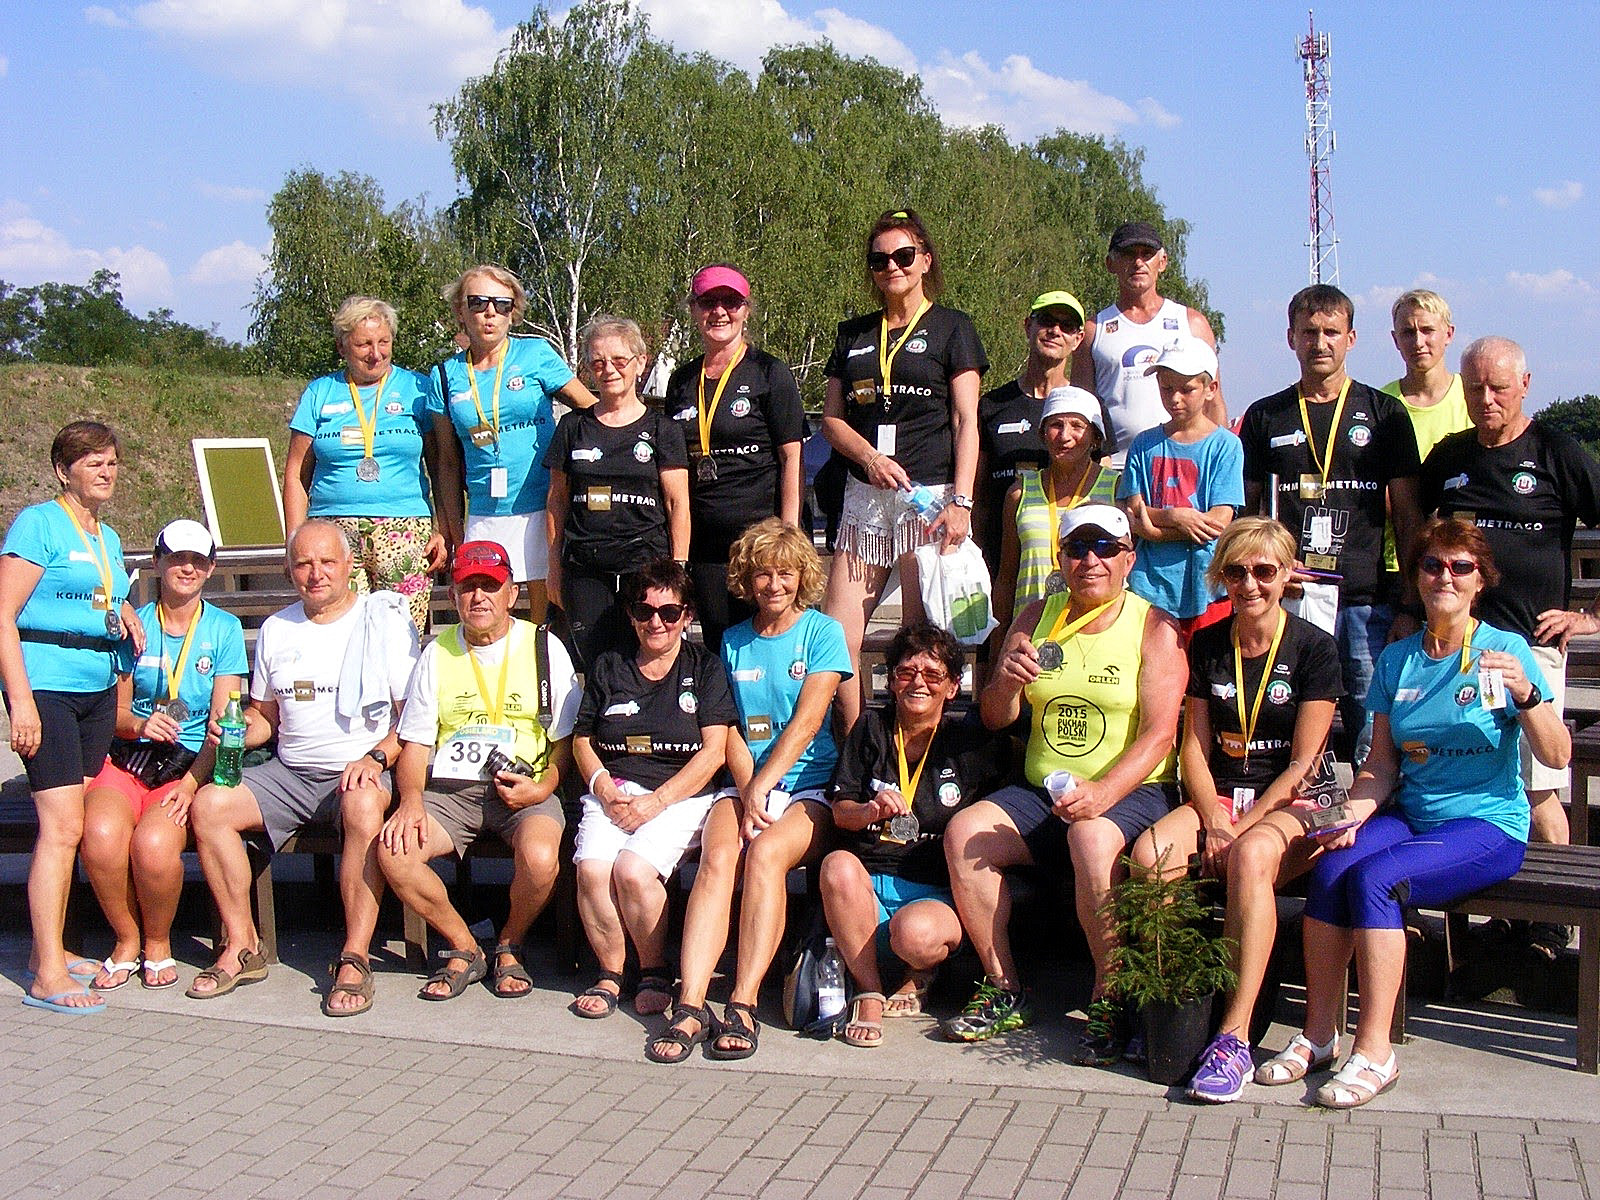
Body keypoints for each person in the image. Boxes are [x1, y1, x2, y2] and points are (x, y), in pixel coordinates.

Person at [1257, 517, 1568, 1108]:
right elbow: (1380, 767)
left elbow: (1556, 754)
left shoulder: (1506, 650)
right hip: (1415, 815)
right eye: (1432, 565)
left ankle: (1375, 1051)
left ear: (1481, 581)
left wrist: (1527, 696)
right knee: (1329, 869)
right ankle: (1319, 1034)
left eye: (1460, 567)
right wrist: (1348, 813)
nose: (1444, 577)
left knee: (1377, 880)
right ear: (1417, 578)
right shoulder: (1398, 659)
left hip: (1486, 825)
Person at [942, 504, 1183, 1061]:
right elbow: (997, 716)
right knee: (964, 833)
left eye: (1105, 549)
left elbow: (1159, 737)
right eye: (1077, 549)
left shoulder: (1154, 627)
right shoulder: (1034, 617)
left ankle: (1111, 994)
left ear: (1130, 558)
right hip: (1042, 790)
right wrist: (1002, 681)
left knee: (1090, 837)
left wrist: (1102, 794)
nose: (1090, 560)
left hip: (1129, 790)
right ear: (1061, 558)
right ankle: (1003, 986)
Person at [1129, 517, 1343, 1102]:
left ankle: (1234, 1036)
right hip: (1219, 795)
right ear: (1221, 576)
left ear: (1288, 575)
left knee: (1250, 860)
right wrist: (1215, 818)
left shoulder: (1315, 648)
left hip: (1292, 799)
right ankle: (1170, 1002)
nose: (1249, 584)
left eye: (1264, 571)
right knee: (1150, 856)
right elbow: (1193, 744)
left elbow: (1304, 762)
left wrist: (1238, 827)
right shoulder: (1208, 643)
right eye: (1236, 571)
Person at [186, 520, 418, 1011]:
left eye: (327, 562)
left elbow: (410, 722)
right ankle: (242, 942)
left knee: (361, 808)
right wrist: (241, 731)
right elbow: (266, 716)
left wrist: (376, 757)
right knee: (209, 806)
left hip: (360, 769)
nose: (316, 574)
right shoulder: (276, 629)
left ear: (349, 564)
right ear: (290, 570)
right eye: (304, 564)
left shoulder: (382, 623)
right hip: (290, 773)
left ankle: (354, 956)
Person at [1419, 335, 1600, 957]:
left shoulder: (1557, 452)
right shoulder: (1449, 456)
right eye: (1474, 389)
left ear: (1525, 384)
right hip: (1458, 650)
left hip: (1526, 649)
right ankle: (1499, 904)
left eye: (1499, 387)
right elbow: (1419, 539)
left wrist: (1591, 616)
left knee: (1538, 785)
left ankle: (1553, 921)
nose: (1487, 400)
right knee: (1473, 781)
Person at [646, 518, 850, 1064]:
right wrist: (745, 787)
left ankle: (742, 1000)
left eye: (785, 573)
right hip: (741, 781)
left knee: (763, 856)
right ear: (746, 579)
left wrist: (763, 784)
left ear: (802, 575)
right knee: (719, 859)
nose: (774, 585)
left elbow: (808, 723)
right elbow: (728, 726)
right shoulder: (732, 642)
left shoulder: (822, 632)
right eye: (762, 575)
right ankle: (689, 1003)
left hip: (808, 784)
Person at [377, 541, 579, 1004]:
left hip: (525, 788)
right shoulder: (438, 651)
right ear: (453, 594)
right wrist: (408, 801)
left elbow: (566, 740)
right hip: (450, 792)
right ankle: (465, 946)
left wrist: (544, 786)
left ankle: (509, 942)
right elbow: (415, 743)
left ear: (512, 592)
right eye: (469, 587)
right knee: (394, 851)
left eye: (491, 586)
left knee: (542, 856)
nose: (479, 597)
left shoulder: (544, 646)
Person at [1238, 284, 1424, 763]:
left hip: (1364, 602)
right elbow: (1250, 515)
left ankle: (1371, 831)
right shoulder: (1264, 415)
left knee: (1371, 731)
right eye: (1309, 332)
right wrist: (1269, 572)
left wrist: (1409, 603)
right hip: (1290, 597)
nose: (1320, 343)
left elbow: (1407, 517)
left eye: (1331, 332)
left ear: (1352, 338)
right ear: (1291, 338)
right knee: (1289, 724)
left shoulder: (1385, 414)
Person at [821, 207, 988, 731]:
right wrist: (868, 456)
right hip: (865, 499)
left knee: (920, 640)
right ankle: (853, 739)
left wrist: (961, 502)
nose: (891, 266)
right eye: (879, 259)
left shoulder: (953, 328)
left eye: (903, 256)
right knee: (837, 633)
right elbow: (831, 420)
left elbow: (966, 422)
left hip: (928, 497)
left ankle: (918, 745)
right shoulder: (853, 334)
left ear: (924, 262)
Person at [0, 421, 145, 1013]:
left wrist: (127, 617)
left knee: (74, 827)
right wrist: (23, 702)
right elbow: (3, 616)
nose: (105, 472)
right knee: (59, 830)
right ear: (64, 471)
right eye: (92, 463)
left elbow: (99, 600)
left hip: (93, 693)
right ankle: (48, 974)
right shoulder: (39, 523)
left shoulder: (105, 537)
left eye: (111, 462)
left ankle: (45, 952)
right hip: (49, 691)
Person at [80, 520, 247, 992]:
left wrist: (193, 784)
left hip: (185, 767)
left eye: (197, 559)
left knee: (153, 848)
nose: (187, 567)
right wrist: (138, 723)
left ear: (211, 567)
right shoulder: (135, 623)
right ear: (157, 562)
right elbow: (110, 713)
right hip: (128, 757)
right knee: (101, 835)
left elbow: (224, 726)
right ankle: (126, 939)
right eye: (176, 557)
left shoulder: (223, 629)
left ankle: (157, 941)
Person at [570, 560, 738, 1019]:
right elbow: (582, 739)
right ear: (631, 615)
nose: (656, 622)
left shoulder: (705, 667)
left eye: (669, 612)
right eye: (644, 611)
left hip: (682, 793)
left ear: (687, 616)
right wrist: (603, 787)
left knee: (632, 871)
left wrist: (656, 802)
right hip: (616, 788)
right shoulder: (609, 665)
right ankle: (610, 970)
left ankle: (654, 969)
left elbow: (715, 752)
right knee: (592, 869)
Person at [822, 623, 1002, 1048]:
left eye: (933, 674)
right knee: (836, 866)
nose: (917, 682)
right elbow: (840, 811)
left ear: (953, 686)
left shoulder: (967, 743)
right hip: (866, 894)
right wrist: (867, 810)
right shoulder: (871, 728)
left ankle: (920, 972)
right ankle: (868, 991)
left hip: (932, 896)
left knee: (914, 935)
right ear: (891, 680)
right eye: (905, 672)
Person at [429, 265, 599, 622]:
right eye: (477, 302)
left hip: (542, 507)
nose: (489, 312)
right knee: (482, 616)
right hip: (484, 511)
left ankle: (540, 678)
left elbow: (592, 410)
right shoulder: (445, 374)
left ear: (513, 312)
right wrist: (455, 529)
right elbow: (446, 461)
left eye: (501, 304)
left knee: (543, 622)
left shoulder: (535, 354)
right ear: (460, 311)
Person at [283, 296, 449, 632]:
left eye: (383, 342)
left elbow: (441, 463)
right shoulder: (320, 392)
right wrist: (293, 540)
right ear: (342, 347)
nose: (375, 353)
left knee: (402, 635)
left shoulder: (418, 388)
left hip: (403, 529)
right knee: (339, 631)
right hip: (332, 532)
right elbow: (296, 474)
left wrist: (443, 529)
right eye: (363, 344)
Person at [666, 265, 805, 653]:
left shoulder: (769, 372)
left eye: (731, 302)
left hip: (760, 540)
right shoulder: (681, 380)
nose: (720, 312)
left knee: (773, 643)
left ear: (746, 309)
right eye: (708, 302)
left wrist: (788, 533)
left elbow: (792, 456)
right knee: (719, 646)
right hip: (706, 545)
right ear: (694, 310)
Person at [545, 315, 690, 668]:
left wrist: (678, 571)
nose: (609, 369)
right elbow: (556, 501)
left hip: (645, 565)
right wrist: (553, 568)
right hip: (586, 569)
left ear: (640, 363)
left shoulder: (662, 429)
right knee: (596, 665)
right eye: (598, 362)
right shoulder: (572, 426)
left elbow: (677, 502)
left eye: (619, 360)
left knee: (648, 662)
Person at [1071, 222, 1223, 467]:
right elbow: (1079, 408)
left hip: (1182, 463)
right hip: (1114, 467)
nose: (1138, 263)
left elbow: (1214, 402)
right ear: (1110, 263)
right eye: (1128, 254)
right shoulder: (1093, 330)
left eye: (1146, 254)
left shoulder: (1192, 323)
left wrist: (1216, 461)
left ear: (1162, 262)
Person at [1119, 337, 1244, 635]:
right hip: (1150, 588)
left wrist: (1155, 531)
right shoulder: (1144, 444)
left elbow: (1218, 521)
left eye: (1186, 389)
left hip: (1208, 589)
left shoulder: (1226, 445)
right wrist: (1177, 517)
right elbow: (1134, 514)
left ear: (1210, 389)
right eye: (1166, 388)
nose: (1175, 398)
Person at [975, 291, 1087, 575]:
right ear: (1028, 326)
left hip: (1070, 562)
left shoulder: (1089, 409)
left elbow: (1101, 488)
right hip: (998, 562)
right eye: (1046, 320)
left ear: (1078, 338)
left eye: (1067, 326)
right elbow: (978, 495)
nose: (1055, 331)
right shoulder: (991, 406)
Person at [994, 386, 1118, 633]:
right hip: (1029, 632)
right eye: (1056, 425)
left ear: (1095, 437)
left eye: (1077, 426)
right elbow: (1007, 576)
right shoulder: (1019, 493)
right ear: (1042, 434)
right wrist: (999, 645)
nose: (1065, 436)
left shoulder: (1117, 489)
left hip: (1097, 630)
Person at [1382, 289, 1470, 460]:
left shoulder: (1472, 396)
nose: (1418, 342)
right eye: (1408, 332)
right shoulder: (1381, 404)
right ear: (1395, 339)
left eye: (1427, 330)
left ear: (1449, 334)